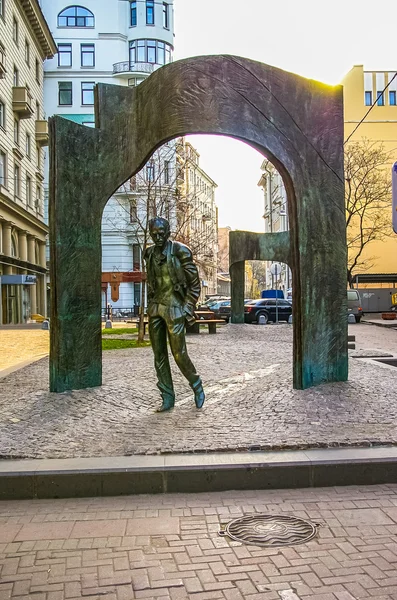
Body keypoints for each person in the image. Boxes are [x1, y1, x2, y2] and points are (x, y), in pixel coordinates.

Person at [144, 217, 205, 412]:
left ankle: (196, 384)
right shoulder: (149, 254)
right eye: (154, 234)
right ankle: (167, 397)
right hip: (156, 308)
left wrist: (188, 307)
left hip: (175, 307)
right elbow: (151, 282)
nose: (158, 236)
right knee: (159, 355)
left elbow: (194, 284)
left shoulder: (180, 251)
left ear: (168, 232)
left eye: (161, 233)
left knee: (179, 354)